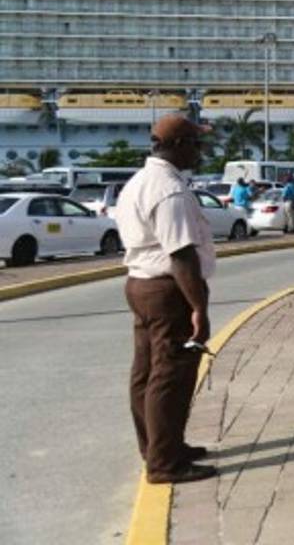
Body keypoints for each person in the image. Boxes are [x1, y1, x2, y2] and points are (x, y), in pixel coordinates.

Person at [113, 114, 218, 484]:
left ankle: (162, 446)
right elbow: (181, 255)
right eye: (195, 143)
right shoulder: (168, 190)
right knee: (170, 375)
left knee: (145, 373)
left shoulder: (139, 182)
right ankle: (164, 463)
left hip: (141, 285)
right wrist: (199, 309)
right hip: (166, 290)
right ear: (176, 146)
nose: (200, 151)